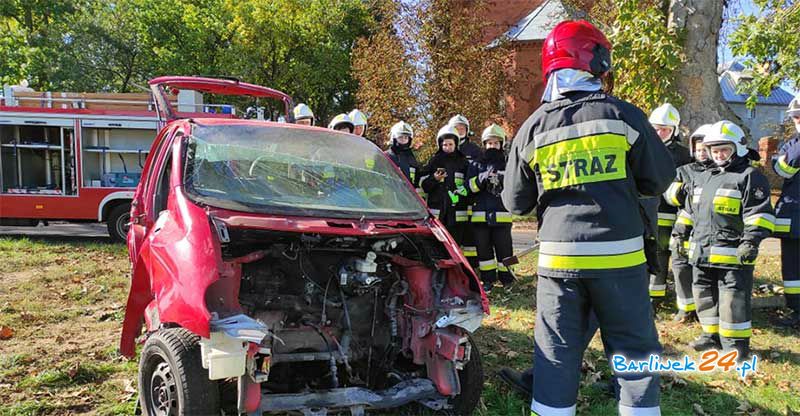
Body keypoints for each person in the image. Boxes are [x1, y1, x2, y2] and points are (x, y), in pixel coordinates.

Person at [502, 20, 674, 416]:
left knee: (555, 352)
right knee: (634, 352)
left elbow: (516, 203)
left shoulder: (531, 128)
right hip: (621, 261)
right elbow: (659, 180)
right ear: (595, 61)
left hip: (560, 263)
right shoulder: (624, 115)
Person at [672, 120, 774, 358]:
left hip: (733, 255)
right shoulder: (703, 177)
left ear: (737, 149)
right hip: (700, 253)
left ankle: (735, 347)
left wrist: (750, 242)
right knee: (703, 295)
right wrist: (679, 233)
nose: (718, 155)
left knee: (732, 301)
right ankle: (710, 336)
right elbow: (689, 211)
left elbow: (759, 215)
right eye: (714, 150)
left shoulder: (749, 177)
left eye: (724, 150)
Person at [662, 124, 715, 323]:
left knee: (703, 271)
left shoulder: (719, 172)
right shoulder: (684, 170)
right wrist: (682, 193)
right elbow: (669, 195)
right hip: (683, 230)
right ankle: (685, 309)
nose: (701, 153)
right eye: (698, 149)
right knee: (680, 265)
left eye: (705, 149)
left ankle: (705, 311)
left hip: (707, 231)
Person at [648, 103, 693, 307]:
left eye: (664, 129)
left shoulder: (684, 155)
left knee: (676, 256)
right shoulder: (643, 148)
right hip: (650, 212)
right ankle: (654, 298)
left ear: (674, 131)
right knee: (655, 254)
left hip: (675, 215)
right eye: (656, 128)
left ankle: (684, 301)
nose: (659, 133)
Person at [466, 124, 514, 293]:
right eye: (489, 143)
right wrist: (482, 178)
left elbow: (514, 182)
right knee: (483, 251)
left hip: (502, 216)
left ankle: (508, 278)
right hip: (480, 217)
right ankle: (488, 280)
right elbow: (468, 187)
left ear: (501, 144)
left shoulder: (508, 163)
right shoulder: (476, 164)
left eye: (495, 143)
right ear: (484, 144)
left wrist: (499, 176)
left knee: (506, 250)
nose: (492, 146)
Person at [773, 94, 800, 327]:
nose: (799, 119)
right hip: (792, 214)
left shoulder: (792, 146)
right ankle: (795, 310)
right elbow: (782, 170)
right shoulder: (792, 143)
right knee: (791, 268)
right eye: (796, 117)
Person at [421, 124, 469, 242]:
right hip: (438, 214)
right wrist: (435, 179)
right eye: (444, 145)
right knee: (437, 246)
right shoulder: (434, 161)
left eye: (450, 144)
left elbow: (468, 186)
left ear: (456, 144)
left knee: (456, 247)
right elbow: (424, 185)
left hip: (457, 213)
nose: (447, 147)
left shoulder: (463, 162)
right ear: (440, 145)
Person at [448, 114, 482, 268]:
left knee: (470, 236)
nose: (460, 130)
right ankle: (456, 266)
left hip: (470, 198)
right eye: (457, 128)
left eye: (462, 128)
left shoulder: (474, 150)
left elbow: (478, 171)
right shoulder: (448, 147)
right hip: (452, 199)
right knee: (453, 234)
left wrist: (468, 189)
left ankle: (472, 267)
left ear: (467, 131)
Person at [385, 121, 421, 193]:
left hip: (409, 195)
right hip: (391, 194)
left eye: (406, 137)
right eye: (400, 137)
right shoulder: (387, 156)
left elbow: (417, 176)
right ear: (394, 138)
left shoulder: (411, 157)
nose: (403, 140)